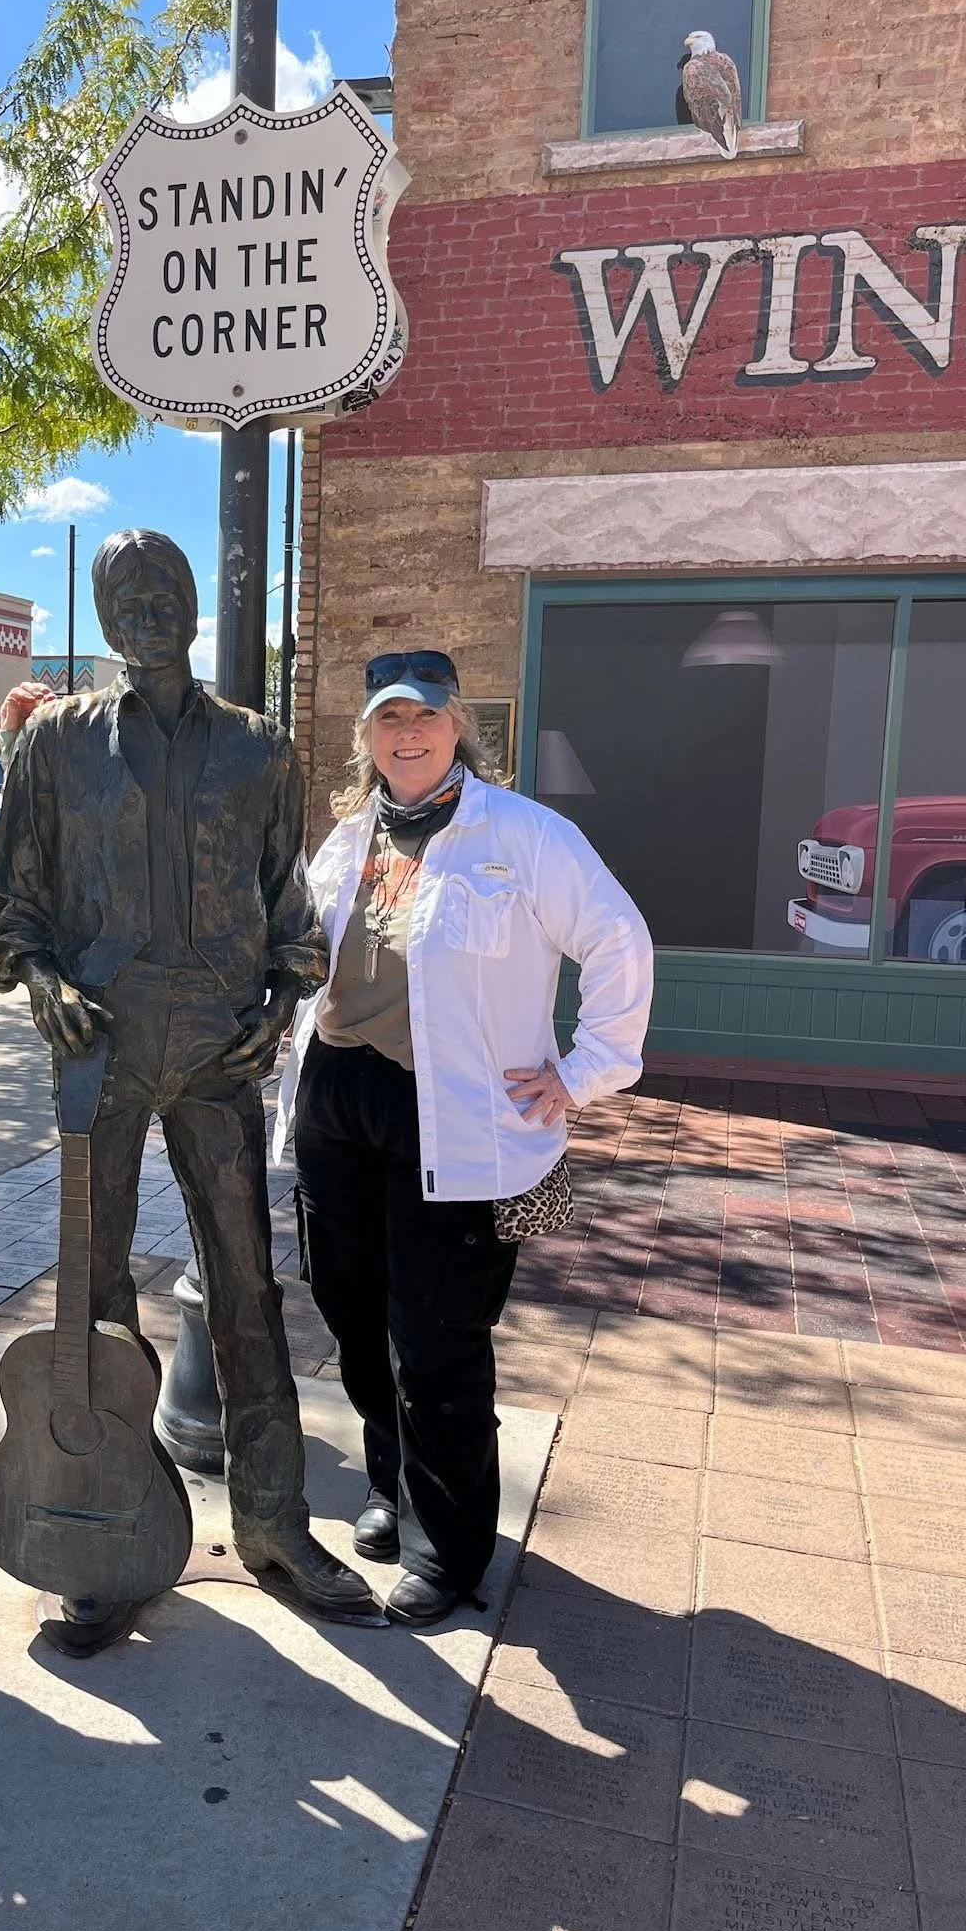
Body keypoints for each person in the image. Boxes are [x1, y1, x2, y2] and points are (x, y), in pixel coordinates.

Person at [0, 527, 379, 1645]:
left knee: (248, 1285)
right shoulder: (54, 742)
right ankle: (106, 1526)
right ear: (104, 618)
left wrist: (282, 1009)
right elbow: (12, 899)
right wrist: (43, 982)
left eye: (165, 591)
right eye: (125, 597)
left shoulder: (259, 748)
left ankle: (274, 1520)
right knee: (93, 1290)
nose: (147, 610)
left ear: (196, 603)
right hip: (99, 1042)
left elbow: (288, 905)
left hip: (216, 1045)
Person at [275, 651, 653, 1628]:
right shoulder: (347, 838)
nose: (406, 734)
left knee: (436, 1331)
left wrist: (584, 1070)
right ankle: (391, 1481)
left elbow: (617, 938)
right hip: (336, 1098)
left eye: (425, 716)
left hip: (449, 1109)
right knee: (351, 1307)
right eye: (388, 719)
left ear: (458, 726)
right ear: (366, 734)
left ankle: (449, 1543)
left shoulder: (522, 834)